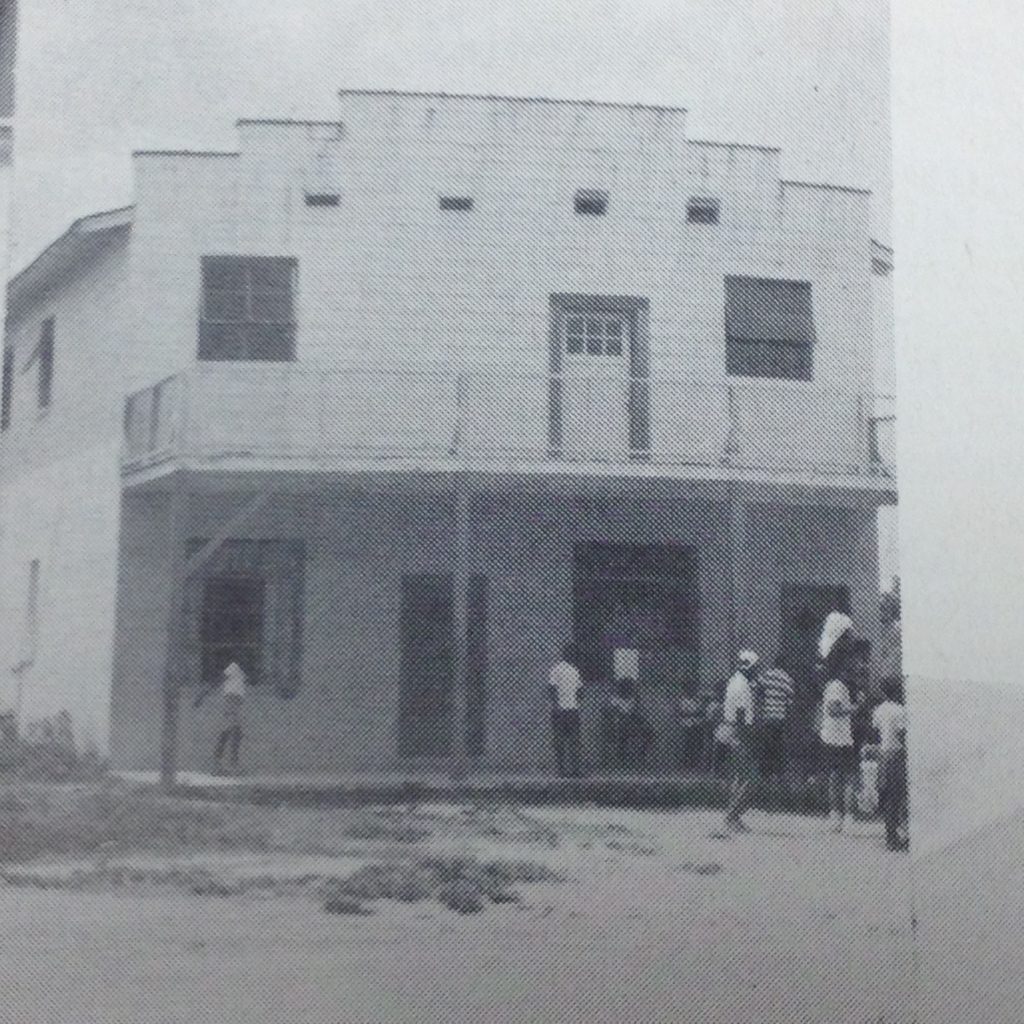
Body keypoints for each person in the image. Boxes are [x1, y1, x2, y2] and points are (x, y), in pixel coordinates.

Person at [713, 650, 760, 836]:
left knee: (739, 777)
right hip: (738, 732)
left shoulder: (736, 681)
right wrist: (746, 739)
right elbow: (741, 716)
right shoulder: (742, 686)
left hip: (730, 730)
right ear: (750, 667)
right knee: (751, 778)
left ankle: (733, 816)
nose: (757, 671)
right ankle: (731, 816)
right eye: (756, 668)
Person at [818, 646, 859, 833]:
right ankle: (844, 817)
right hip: (838, 738)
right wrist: (854, 708)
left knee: (837, 777)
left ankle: (838, 817)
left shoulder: (837, 686)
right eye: (849, 669)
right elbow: (833, 710)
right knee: (846, 777)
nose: (852, 672)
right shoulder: (837, 687)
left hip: (835, 737)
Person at [872, 676, 909, 850]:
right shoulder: (900, 711)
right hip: (897, 754)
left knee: (887, 795)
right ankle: (897, 836)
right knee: (899, 796)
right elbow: (902, 734)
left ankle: (890, 836)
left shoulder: (879, 710)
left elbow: (877, 730)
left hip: (883, 753)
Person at [195, 657, 248, 774]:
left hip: (236, 702)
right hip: (232, 700)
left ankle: (218, 762)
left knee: (229, 730)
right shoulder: (234, 667)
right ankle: (231, 764)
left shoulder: (241, 673)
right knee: (235, 730)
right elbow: (219, 680)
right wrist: (203, 694)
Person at [755, 656, 796, 805]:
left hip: (767, 719)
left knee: (766, 749)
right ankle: (776, 776)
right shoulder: (787, 679)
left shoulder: (766, 676)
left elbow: (758, 692)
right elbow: (790, 703)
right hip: (779, 720)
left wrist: (761, 710)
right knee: (777, 749)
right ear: (785, 665)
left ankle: (763, 776)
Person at [548, 643, 583, 777]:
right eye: (572, 653)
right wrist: (558, 705)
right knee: (565, 740)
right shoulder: (563, 670)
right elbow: (552, 688)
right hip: (565, 710)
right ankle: (566, 770)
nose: (573, 656)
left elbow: (579, 690)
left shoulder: (570, 670)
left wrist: (576, 704)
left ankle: (569, 770)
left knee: (568, 740)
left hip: (567, 709)